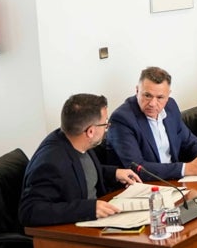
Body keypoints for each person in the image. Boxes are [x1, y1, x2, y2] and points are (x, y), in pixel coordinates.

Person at [20, 93, 141, 226]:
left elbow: (82, 170)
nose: (107, 128)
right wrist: (88, 209)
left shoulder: (76, 139)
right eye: (105, 124)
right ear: (90, 131)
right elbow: (30, 211)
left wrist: (114, 173)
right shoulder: (51, 163)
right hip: (74, 232)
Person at [106, 66, 197, 180]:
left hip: (174, 181)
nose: (152, 103)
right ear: (137, 91)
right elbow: (136, 168)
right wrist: (186, 168)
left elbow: (189, 141)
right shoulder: (122, 119)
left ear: (168, 95)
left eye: (160, 97)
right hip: (141, 186)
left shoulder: (171, 106)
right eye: (147, 95)